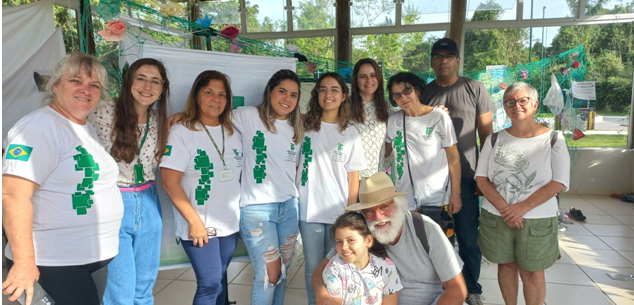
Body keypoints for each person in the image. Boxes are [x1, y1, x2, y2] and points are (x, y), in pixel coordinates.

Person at [2, 53, 124, 304]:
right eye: (75, 81)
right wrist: (24, 264)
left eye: (94, 85)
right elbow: (12, 196)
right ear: (55, 85)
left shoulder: (83, 126)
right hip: (54, 263)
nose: (85, 90)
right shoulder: (38, 128)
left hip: (90, 258)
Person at [475, 82, 569, 305]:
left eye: (522, 100)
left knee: (533, 272)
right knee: (506, 265)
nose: (516, 105)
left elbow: (559, 181)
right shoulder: (494, 139)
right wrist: (506, 210)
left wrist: (520, 208)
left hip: (537, 219)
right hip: (497, 216)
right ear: (505, 108)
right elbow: (481, 179)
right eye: (510, 102)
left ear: (535, 104)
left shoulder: (553, 139)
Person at [313, 172, 468, 305]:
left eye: (384, 207)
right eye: (369, 211)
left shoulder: (425, 228)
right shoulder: (360, 232)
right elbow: (321, 270)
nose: (378, 217)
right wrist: (323, 296)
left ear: (398, 204)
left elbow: (457, 288)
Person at [89, 58, 170, 305]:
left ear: (162, 87)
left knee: (144, 287)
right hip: (115, 199)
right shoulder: (103, 113)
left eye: (155, 81)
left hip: (148, 199)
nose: (147, 86)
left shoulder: (161, 120)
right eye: (141, 78)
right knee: (121, 290)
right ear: (129, 82)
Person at [421, 37, 494, 305]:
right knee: (435, 238)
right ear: (432, 61)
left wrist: (484, 177)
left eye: (448, 56)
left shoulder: (475, 89)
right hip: (432, 180)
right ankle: (440, 286)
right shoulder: (424, 93)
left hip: (466, 177)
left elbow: (487, 137)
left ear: (457, 60)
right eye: (438, 56)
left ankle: (472, 288)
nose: (443, 60)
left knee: (467, 238)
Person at [161, 70, 241, 305]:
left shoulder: (234, 131)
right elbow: (169, 181)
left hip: (229, 223)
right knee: (209, 283)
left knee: (220, 278)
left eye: (222, 94)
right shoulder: (182, 131)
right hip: (199, 223)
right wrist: (195, 223)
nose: (216, 99)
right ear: (196, 95)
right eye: (209, 92)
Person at [234, 69, 303, 305]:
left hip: (289, 208)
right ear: (270, 91)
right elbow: (210, 118)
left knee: (282, 272)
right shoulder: (248, 115)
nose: (287, 99)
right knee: (268, 275)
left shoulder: (297, 128)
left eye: (294, 95)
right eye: (282, 91)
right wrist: (179, 116)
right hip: (257, 209)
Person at [298, 72, 367, 305]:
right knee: (313, 268)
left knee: (338, 267)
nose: (328, 94)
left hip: (339, 212)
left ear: (344, 96)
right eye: (323, 89)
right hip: (308, 210)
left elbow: (353, 176)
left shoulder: (350, 132)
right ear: (317, 94)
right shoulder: (303, 126)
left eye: (334, 89)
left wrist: (350, 212)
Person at [384, 72, 462, 227]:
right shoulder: (393, 120)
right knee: (409, 248)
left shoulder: (439, 117)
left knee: (438, 248)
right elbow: (386, 156)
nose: (403, 97)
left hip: (437, 198)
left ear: (417, 90)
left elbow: (453, 158)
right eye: (397, 95)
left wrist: (456, 194)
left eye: (407, 90)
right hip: (404, 199)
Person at [322, 212, 402, 305]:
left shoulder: (387, 268)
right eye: (339, 241)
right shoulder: (334, 268)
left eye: (350, 240)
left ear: (368, 241)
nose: (344, 247)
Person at [349, 58, 397, 178]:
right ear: (356, 80)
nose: (368, 80)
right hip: (350, 179)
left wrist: (434, 111)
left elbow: (410, 119)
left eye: (373, 75)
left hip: (378, 179)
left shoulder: (386, 108)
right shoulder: (344, 107)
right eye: (363, 76)